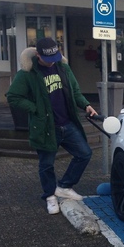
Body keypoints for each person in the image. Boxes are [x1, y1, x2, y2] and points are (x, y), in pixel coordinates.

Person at [7, 38, 98, 214]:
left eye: (54, 58)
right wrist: (35, 109)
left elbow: (75, 92)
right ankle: (50, 196)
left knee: (84, 153)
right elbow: (13, 97)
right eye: (47, 60)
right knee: (46, 164)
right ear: (38, 55)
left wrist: (86, 105)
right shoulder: (27, 73)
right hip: (46, 127)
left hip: (67, 123)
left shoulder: (63, 67)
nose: (51, 63)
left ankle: (64, 186)